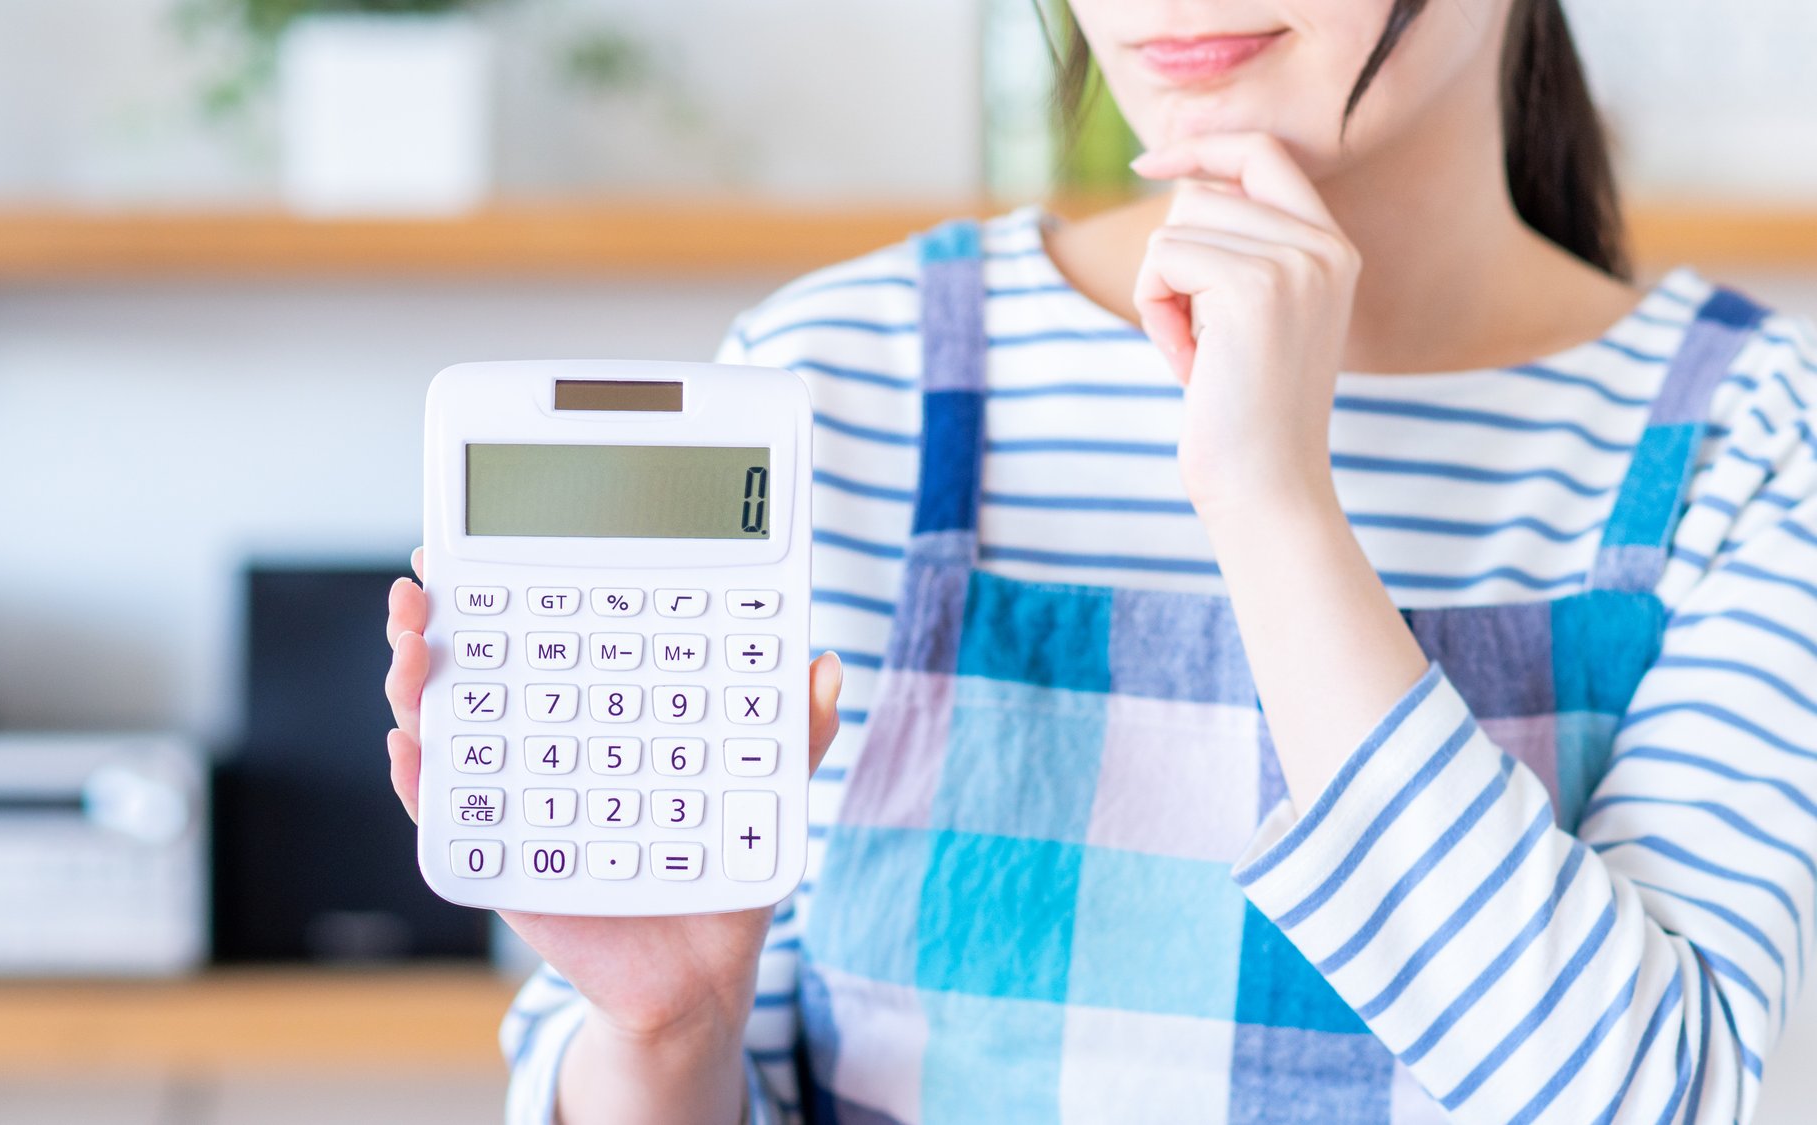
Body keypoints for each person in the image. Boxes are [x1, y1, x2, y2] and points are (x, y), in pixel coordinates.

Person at [383, 0, 1817, 1120]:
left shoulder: (1748, 437)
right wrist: (665, 1027)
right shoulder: (844, 381)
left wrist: (1270, 497)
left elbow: (1644, 1092)